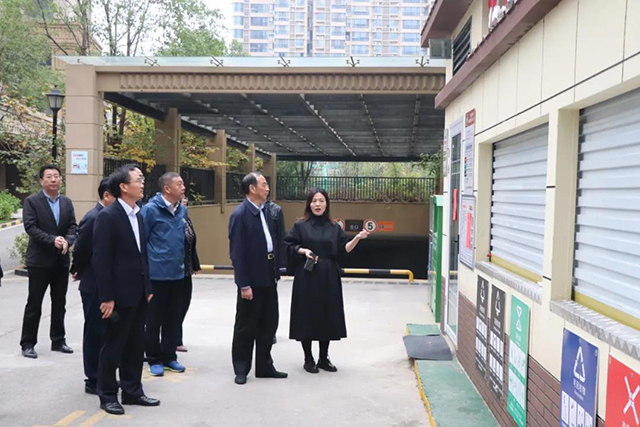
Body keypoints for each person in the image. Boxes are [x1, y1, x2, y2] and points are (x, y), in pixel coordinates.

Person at [93, 164, 159, 415]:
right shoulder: (108, 217)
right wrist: (107, 297)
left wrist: (147, 286)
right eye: (138, 180)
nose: (142, 184)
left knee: (135, 344)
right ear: (123, 187)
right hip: (118, 295)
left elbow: (142, 255)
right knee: (113, 346)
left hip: (138, 292)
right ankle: (108, 394)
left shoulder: (138, 214)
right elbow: (102, 260)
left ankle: (132, 391)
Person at [284, 188, 369, 374]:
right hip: (307, 275)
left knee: (327, 315)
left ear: (326, 204)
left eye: (321, 201)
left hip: (328, 276)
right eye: (314, 201)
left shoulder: (334, 227)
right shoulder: (300, 225)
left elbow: (343, 249)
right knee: (306, 315)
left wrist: (357, 238)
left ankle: (324, 357)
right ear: (309, 204)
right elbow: (289, 245)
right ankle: (308, 358)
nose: (318, 204)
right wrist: (303, 251)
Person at [229, 172, 287, 385]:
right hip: (251, 281)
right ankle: (241, 368)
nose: (267, 188)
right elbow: (237, 253)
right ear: (252, 188)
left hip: (268, 276)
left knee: (268, 324)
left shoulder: (266, 211)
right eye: (263, 184)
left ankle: (264, 366)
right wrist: (243, 284)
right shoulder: (240, 215)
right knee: (246, 326)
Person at [20, 164, 78, 359]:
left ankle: (58, 340)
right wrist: (52, 240)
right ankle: (28, 343)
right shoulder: (32, 201)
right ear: (41, 180)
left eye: (56, 176)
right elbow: (31, 227)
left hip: (61, 260)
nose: (53, 179)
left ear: (61, 179)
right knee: (34, 303)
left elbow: (73, 226)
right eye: (49, 176)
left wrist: (67, 241)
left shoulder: (66, 202)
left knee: (59, 302)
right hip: (39, 261)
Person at [70, 178, 115, 395]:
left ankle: (104, 375)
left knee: (107, 332)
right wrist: (77, 269)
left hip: (108, 283)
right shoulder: (93, 217)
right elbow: (81, 249)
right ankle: (93, 378)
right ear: (106, 195)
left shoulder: (112, 217)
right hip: (93, 284)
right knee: (95, 331)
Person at [140, 172, 188, 376]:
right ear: (167, 188)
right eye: (179, 184)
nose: (183, 187)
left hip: (177, 274)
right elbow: (141, 242)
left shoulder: (182, 209)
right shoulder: (150, 210)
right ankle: (153, 358)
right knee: (153, 319)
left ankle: (169, 356)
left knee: (173, 319)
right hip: (156, 274)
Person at [176, 197, 201, 353]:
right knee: (175, 305)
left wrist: (195, 263)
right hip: (174, 269)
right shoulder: (170, 218)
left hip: (187, 268)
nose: (185, 201)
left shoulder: (186, 218)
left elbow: (191, 242)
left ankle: (175, 336)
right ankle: (174, 339)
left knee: (185, 302)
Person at [264, 197, 285, 345]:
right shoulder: (245, 211)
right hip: (254, 263)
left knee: (270, 299)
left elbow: (280, 238)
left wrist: (280, 264)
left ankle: (270, 331)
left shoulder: (275, 210)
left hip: (271, 262)